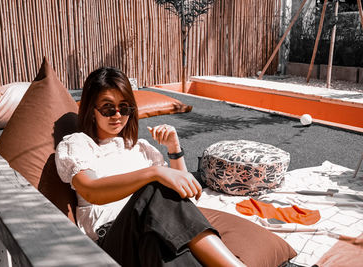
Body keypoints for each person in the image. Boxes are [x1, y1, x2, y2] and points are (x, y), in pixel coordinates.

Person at [55, 67, 245, 267]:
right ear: (91, 111)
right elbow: (91, 190)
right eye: (108, 108)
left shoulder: (141, 148)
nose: (117, 115)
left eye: (124, 107)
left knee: (166, 247)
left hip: (148, 234)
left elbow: (184, 200)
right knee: (155, 188)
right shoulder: (78, 143)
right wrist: (154, 173)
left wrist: (174, 149)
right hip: (109, 243)